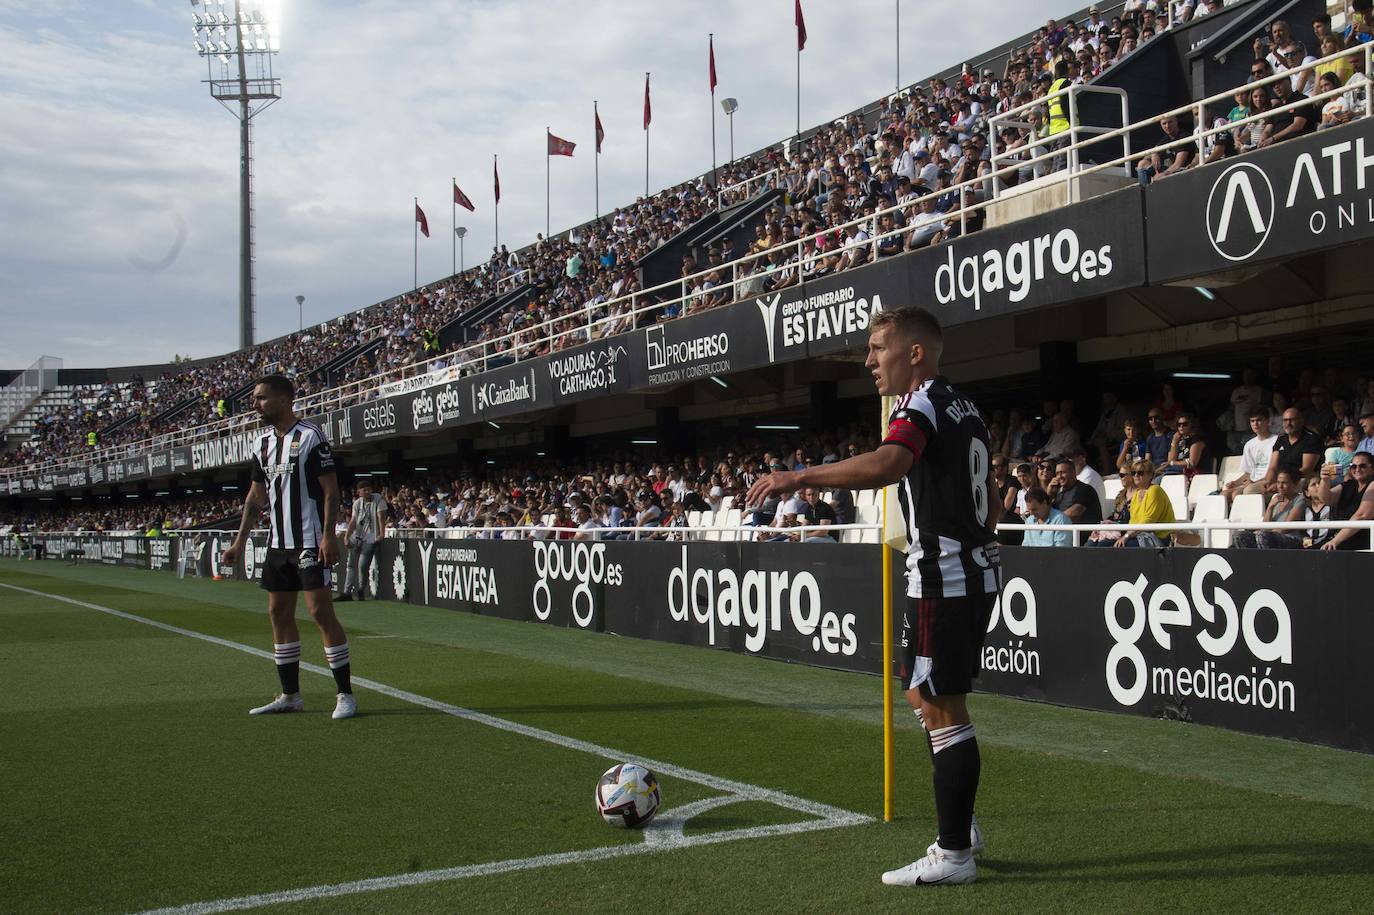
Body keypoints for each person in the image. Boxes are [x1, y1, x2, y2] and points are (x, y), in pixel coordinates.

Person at [746, 305, 998, 887]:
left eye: (877, 348)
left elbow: (890, 463)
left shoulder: (923, 402)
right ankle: (960, 824)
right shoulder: (963, 404)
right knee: (920, 692)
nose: (868, 361)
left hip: (946, 576)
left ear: (915, 352)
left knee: (939, 705)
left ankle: (955, 851)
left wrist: (798, 476)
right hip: (956, 570)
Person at [220, 374, 355, 720]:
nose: (255, 404)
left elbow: (331, 491)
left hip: (310, 541)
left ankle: (345, 694)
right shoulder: (262, 443)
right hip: (278, 544)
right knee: (278, 613)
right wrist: (239, 540)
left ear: (283, 400)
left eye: (261, 398)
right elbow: (255, 497)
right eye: (255, 398)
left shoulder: (311, 437)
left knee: (320, 612)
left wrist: (328, 535)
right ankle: (290, 695)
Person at [338, 479, 388, 602]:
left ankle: (361, 589)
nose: (367, 492)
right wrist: (346, 536)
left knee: (362, 565)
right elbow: (353, 521)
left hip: (371, 536)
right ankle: (347, 592)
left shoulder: (378, 499)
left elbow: (381, 517)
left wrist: (382, 534)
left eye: (369, 489)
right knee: (350, 564)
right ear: (359, 492)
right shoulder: (357, 503)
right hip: (357, 535)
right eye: (364, 490)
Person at [1232, 469, 1307, 549]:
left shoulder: (1300, 499)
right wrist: (1271, 507)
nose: (1280, 486)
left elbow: (1287, 526)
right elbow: (1265, 526)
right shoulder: (1275, 498)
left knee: (1262, 536)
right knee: (1239, 535)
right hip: (1270, 536)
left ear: (1294, 483)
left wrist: (1267, 533)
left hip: (1291, 538)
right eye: (1278, 482)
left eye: (1284, 483)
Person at [1318, 451, 1374, 550]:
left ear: (1372, 468)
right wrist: (1325, 480)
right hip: (1337, 540)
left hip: (1359, 543)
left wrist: (1335, 541)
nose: (1357, 469)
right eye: (1353, 466)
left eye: (1362, 466)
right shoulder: (1349, 485)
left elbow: (1362, 516)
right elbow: (1326, 499)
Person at [1117, 458, 1175, 548]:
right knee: (1104, 544)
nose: (1136, 475)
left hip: (1159, 537)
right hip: (1141, 535)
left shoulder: (1155, 490)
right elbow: (1133, 521)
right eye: (1133, 473)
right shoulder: (1137, 494)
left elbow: (1148, 521)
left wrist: (1126, 536)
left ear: (1150, 475)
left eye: (1140, 473)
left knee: (1120, 547)